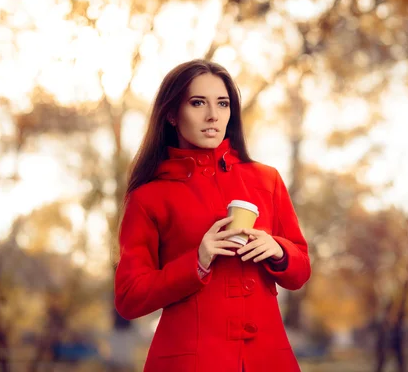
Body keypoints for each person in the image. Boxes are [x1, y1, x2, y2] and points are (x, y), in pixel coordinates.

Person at [114, 59, 311, 372]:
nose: (213, 116)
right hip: (191, 361)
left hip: (269, 359)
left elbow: (300, 272)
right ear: (171, 115)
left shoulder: (267, 180)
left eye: (223, 103)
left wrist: (279, 250)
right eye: (197, 103)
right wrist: (197, 261)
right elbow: (128, 297)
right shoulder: (148, 197)